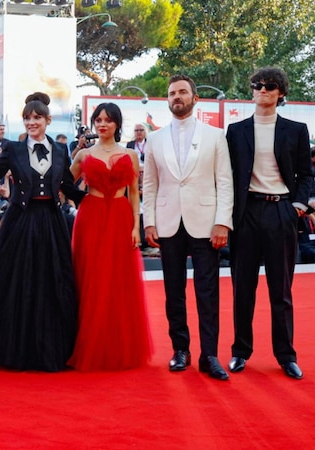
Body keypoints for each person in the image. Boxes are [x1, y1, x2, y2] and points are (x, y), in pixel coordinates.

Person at [142, 75, 234, 380]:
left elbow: (224, 182)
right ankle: (180, 350)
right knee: (173, 291)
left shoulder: (215, 135)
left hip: (206, 224)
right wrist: (149, 221)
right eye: (172, 93)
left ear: (195, 98)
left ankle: (210, 355)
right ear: (167, 100)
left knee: (207, 292)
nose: (177, 97)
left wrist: (223, 221)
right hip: (168, 224)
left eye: (182, 92)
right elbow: (150, 183)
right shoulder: (155, 139)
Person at [0, 96, 78, 371]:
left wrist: (96, 200)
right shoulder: (13, 149)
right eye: (27, 118)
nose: (31, 122)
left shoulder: (60, 150)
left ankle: (52, 350)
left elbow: (67, 186)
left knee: (52, 283)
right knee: (19, 284)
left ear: (48, 120)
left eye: (37, 118)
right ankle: (17, 351)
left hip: (52, 222)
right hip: (21, 221)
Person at [226, 67, 312, 380]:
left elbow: (306, 175)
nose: (263, 90)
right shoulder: (236, 131)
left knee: (282, 290)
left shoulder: (296, 129)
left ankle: (286, 355)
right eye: (258, 85)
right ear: (252, 91)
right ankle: (240, 352)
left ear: (281, 93)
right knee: (242, 288)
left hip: (282, 213)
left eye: (270, 86)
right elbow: (229, 176)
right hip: (247, 213)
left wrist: (298, 207)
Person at [68, 102, 152, 371]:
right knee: (89, 277)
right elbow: (64, 184)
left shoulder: (129, 154)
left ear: (117, 124)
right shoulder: (83, 155)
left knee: (117, 279)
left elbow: (135, 193)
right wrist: (76, 201)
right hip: (90, 217)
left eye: (108, 120)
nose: (102, 124)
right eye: (98, 120)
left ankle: (115, 343)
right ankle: (84, 341)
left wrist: (136, 227)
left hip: (120, 216)